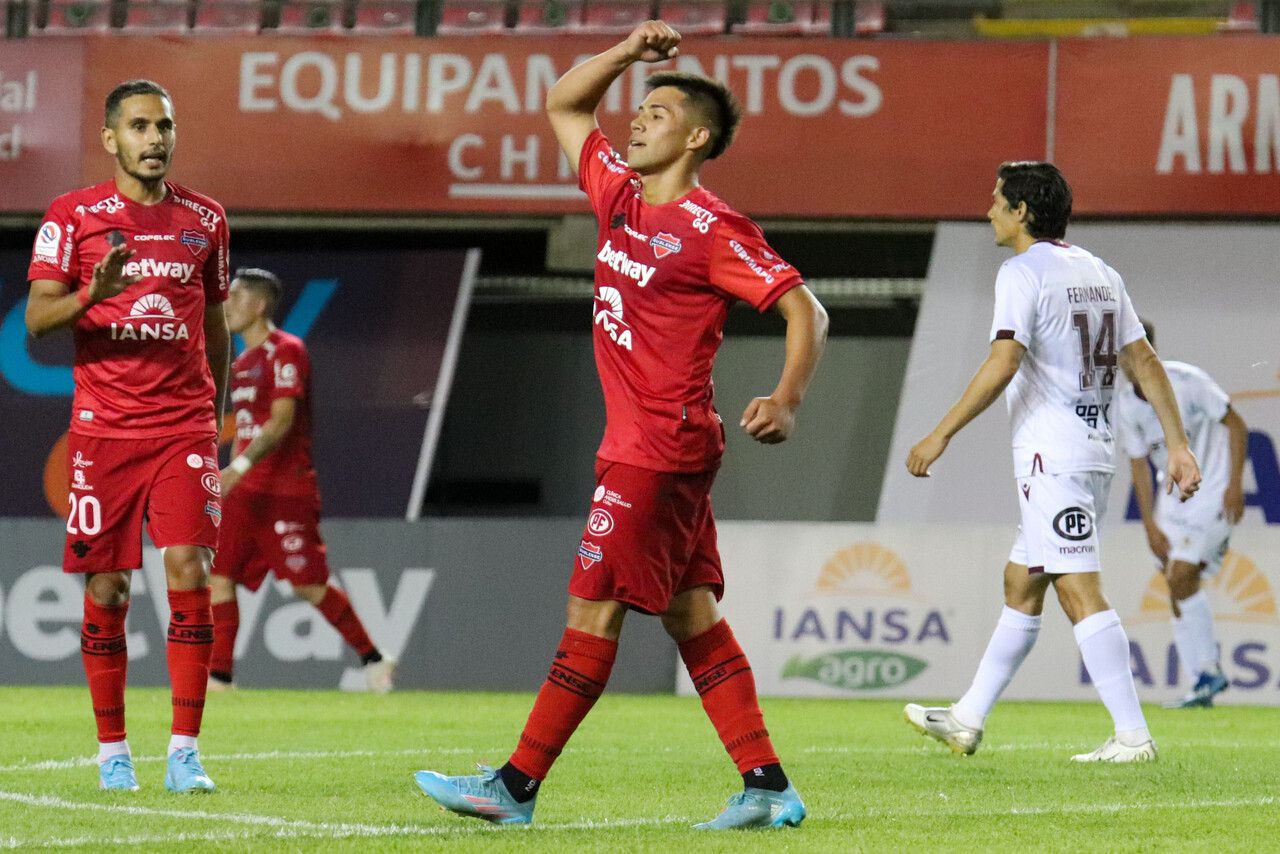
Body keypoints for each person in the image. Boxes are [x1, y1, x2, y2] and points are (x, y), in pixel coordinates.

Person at [413, 20, 828, 829]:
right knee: (691, 616)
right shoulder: (619, 193)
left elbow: (803, 309)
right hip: (651, 445)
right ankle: (769, 785)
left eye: (658, 113)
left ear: (697, 138)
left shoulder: (713, 230)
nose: (636, 120)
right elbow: (565, 103)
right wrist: (628, 56)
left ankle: (515, 788)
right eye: (639, 111)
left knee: (592, 611)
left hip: (658, 448)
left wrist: (787, 398)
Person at [901, 161, 1201, 763]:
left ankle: (1132, 736)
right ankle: (967, 718)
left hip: (1053, 456)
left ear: (1021, 212)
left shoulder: (1021, 272)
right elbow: (1144, 362)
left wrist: (941, 434)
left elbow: (1004, 360)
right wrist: (1177, 443)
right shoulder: (1098, 270)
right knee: (1022, 581)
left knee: (1078, 590)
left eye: (996, 201)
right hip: (1090, 450)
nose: (988, 210)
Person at [25, 79, 230, 793]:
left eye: (164, 126)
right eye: (140, 126)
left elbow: (214, 321)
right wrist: (94, 295)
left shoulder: (206, 218)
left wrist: (217, 414)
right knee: (108, 587)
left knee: (190, 571)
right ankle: (113, 751)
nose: (155, 139)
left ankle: (184, 751)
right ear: (111, 138)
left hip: (184, 428)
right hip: (104, 432)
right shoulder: (72, 216)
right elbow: (36, 321)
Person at [209, 268, 396, 693]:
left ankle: (375, 658)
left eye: (235, 297)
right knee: (219, 576)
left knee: (307, 585)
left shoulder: (286, 351)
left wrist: (236, 469)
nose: (228, 305)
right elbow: (249, 429)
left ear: (257, 306)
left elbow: (280, 424)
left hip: (284, 490)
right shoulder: (240, 364)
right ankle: (219, 680)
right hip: (245, 494)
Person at [1116, 320, 1247, 708]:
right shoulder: (1126, 404)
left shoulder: (1188, 382)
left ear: (1147, 349)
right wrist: (1149, 525)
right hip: (1172, 502)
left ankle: (1211, 672)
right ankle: (1199, 684)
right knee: (1174, 586)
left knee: (1181, 575)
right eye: (1120, 353)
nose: (1125, 361)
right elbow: (1139, 466)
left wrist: (1235, 484)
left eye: (1131, 350)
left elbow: (1237, 425)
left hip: (1211, 493)